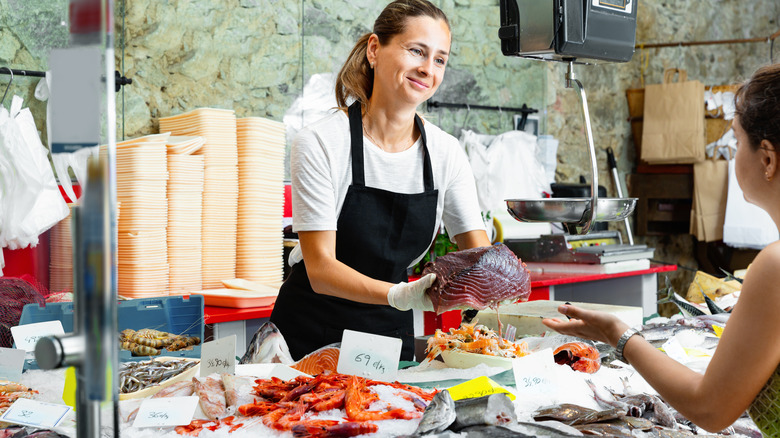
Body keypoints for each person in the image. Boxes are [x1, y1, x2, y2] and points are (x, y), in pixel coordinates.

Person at [543, 64, 780, 435]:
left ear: (767, 159)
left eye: (735, 143)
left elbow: (711, 408)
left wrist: (619, 336)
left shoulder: (775, 266)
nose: (732, 158)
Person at [270, 0, 491, 362]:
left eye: (439, 59)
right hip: (310, 331)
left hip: (389, 336)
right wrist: (398, 295)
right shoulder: (321, 142)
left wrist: (496, 281)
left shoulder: (446, 152)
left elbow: (477, 253)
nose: (427, 69)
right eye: (416, 51)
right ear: (375, 49)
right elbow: (321, 269)